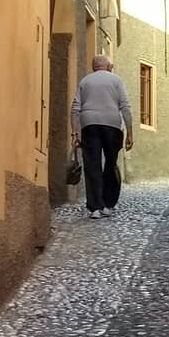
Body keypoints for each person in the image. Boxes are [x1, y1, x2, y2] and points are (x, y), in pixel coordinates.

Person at [70, 55, 134, 219]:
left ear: (94, 67)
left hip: (89, 125)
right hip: (112, 125)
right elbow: (125, 106)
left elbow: (75, 108)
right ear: (108, 66)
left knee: (92, 166)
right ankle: (108, 204)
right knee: (111, 164)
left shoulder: (85, 81)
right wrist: (129, 132)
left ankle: (95, 208)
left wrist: (75, 133)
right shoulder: (116, 80)